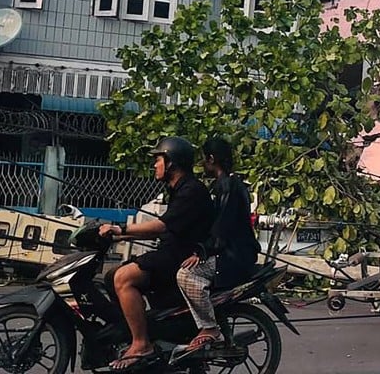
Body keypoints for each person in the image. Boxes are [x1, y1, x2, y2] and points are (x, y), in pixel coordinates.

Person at [98, 137, 214, 370]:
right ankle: (135, 332)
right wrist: (118, 236)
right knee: (111, 277)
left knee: (123, 278)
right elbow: (166, 229)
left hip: (181, 257)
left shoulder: (191, 190)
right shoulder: (178, 189)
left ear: (171, 162)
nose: (155, 165)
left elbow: (161, 227)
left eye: (158, 160)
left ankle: (141, 343)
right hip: (172, 251)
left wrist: (121, 229)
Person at [173, 136, 260, 358]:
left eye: (204, 159)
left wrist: (201, 252)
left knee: (186, 274)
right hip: (231, 252)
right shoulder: (224, 184)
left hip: (233, 256)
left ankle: (209, 326)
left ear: (212, 159)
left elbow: (222, 227)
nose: (203, 164)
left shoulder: (229, 186)